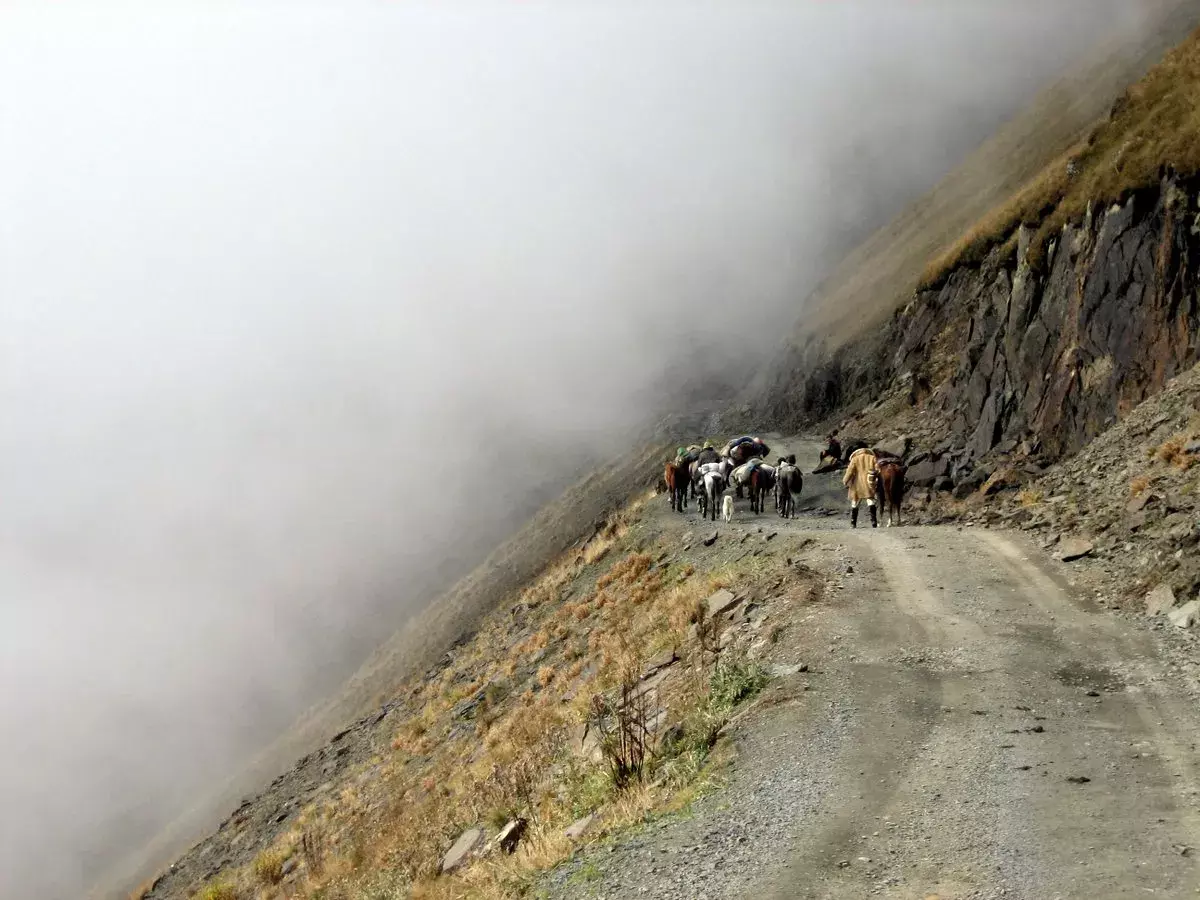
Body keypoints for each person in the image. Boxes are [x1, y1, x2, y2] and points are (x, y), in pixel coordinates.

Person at [842, 446, 879, 528]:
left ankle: (853, 523)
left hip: (857, 484)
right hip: (869, 484)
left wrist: (845, 481)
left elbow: (850, 471)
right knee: (871, 502)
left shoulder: (854, 459)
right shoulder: (872, 458)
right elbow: (877, 470)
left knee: (855, 503)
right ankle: (874, 522)